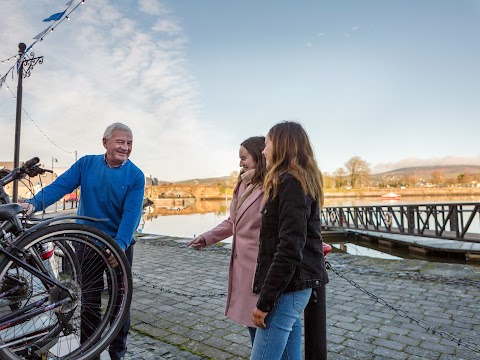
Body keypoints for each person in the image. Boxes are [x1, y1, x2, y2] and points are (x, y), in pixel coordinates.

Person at [22, 122, 145, 360]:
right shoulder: (87, 163)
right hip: (88, 242)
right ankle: (91, 352)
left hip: (119, 244)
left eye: (129, 143)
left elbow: (132, 214)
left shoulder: (135, 175)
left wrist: (119, 245)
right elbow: (60, 186)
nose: (126, 147)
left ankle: (118, 352)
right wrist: (33, 204)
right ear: (105, 142)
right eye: (120, 141)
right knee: (90, 300)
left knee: (121, 300)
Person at [250, 121, 329, 360]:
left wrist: (264, 302)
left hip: (288, 288)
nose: (263, 151)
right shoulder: (295, 180)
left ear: (282, 145)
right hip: (291, 287)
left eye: (267, 144)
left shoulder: (291, 183)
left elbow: (289, 248)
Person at [187, 136, 267, 344]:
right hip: (242, 268)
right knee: (252, 325)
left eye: (244, 158)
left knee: (264, 328)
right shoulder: (242, 184)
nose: (240, 163)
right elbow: (233, 221)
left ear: (259, 156)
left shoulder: (272, 186)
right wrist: (207, 238)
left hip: (261, 268)